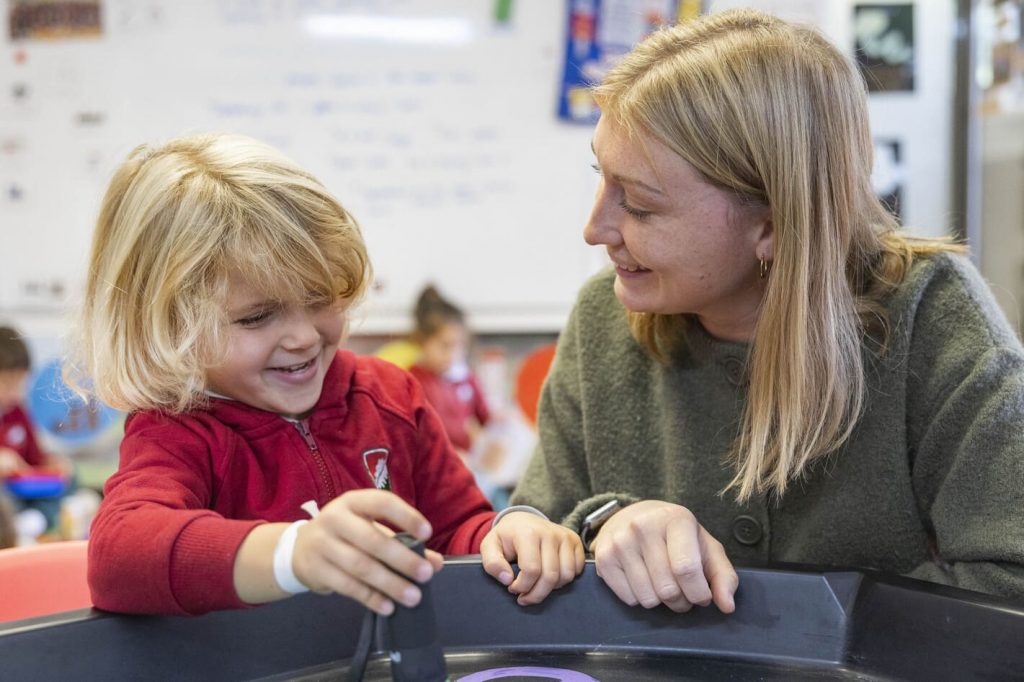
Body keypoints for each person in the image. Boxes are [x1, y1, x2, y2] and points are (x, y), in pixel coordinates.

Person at [510, 7, 1024, 614]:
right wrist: (604, 526)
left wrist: (786, 624)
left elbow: (1008, 581)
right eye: (602, 175)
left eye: (641, 205)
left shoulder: (932, 316)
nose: (595, 229)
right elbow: (538, 537)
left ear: (774, 226)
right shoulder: (603, 318)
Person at [67, 133, 583, 616]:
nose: (304, 337)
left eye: (319, 299)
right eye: (257, 317)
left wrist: (508, 533)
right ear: (170, 326)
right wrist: (294, 553)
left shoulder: (390, 397)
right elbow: (118, 557)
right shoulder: (177, 432)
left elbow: (458, 529)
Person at [0, 325, 72, 533]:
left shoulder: (17, 413)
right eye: (8, 384)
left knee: (70, 478)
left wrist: (52, 463)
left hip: (24, 491)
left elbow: (36, 459)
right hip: (6, 498)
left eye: (20, 384)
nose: (15, 393)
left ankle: (34, 522)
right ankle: (25, 524)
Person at [407, 286, 491, 455]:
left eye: (460, 345)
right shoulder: (412, 381)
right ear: (421, 341)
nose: (453, 354)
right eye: (445, 345)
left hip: (466, 459)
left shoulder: (466, 377)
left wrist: (496, 427)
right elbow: (411, 434)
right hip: (432, 460)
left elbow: (485, 417)